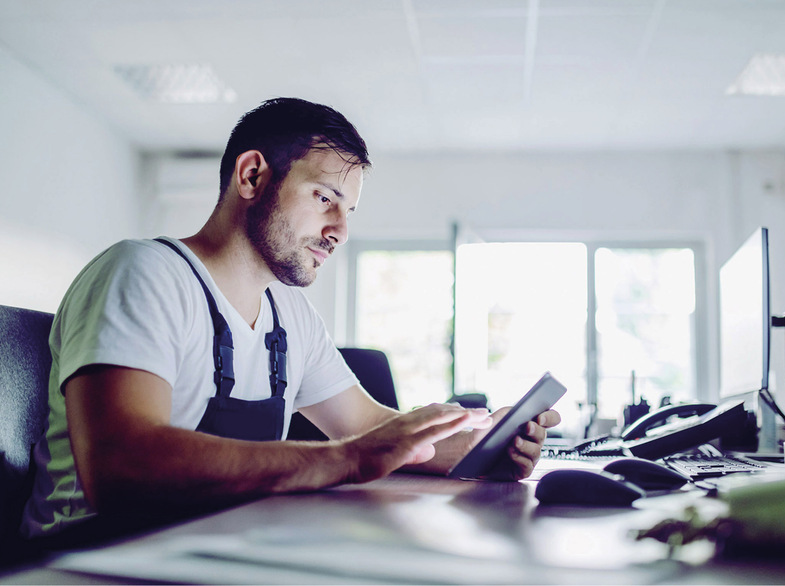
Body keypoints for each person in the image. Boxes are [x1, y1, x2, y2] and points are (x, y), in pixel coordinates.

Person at [21, 97, 560, 543]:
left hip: (214, 546)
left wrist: (488, 448)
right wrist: (342, 460)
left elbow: (372, 430)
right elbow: (122, 468)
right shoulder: (142, 272)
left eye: (348, 210)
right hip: (92, 559)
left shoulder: (291, 317)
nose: (339, 230)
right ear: (252, 175)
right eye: (325, 198)